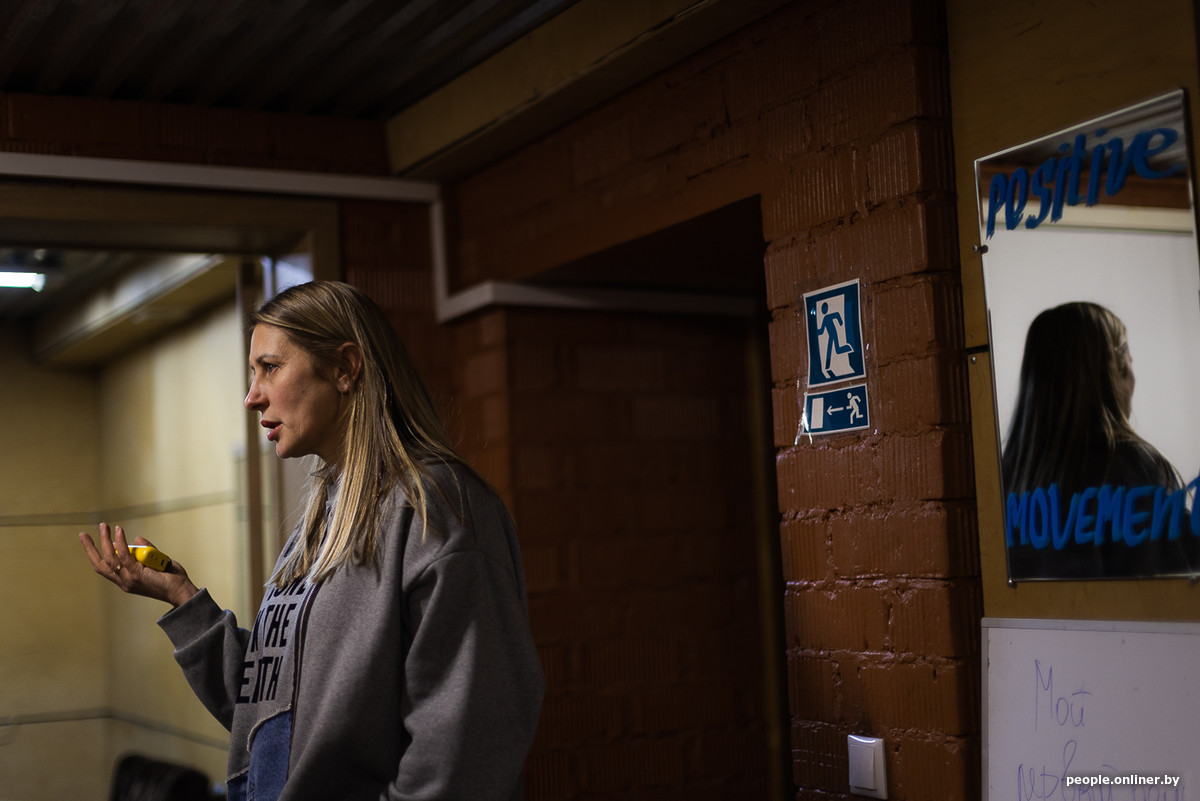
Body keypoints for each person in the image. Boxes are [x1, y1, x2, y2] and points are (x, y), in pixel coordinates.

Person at [79, 281, 544, 801]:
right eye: (253, 373)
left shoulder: (437, 507)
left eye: (270, 368)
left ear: (345, 367)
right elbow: (271, 719)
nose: (252, 397)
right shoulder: (323, 521)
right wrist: (183, 600)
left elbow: (469, 743)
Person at [1001, 300, 1191, 578]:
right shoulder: (1131, 465)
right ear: (1117, 370)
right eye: (1130, 362)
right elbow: (1174, 589)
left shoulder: (1004, 480)